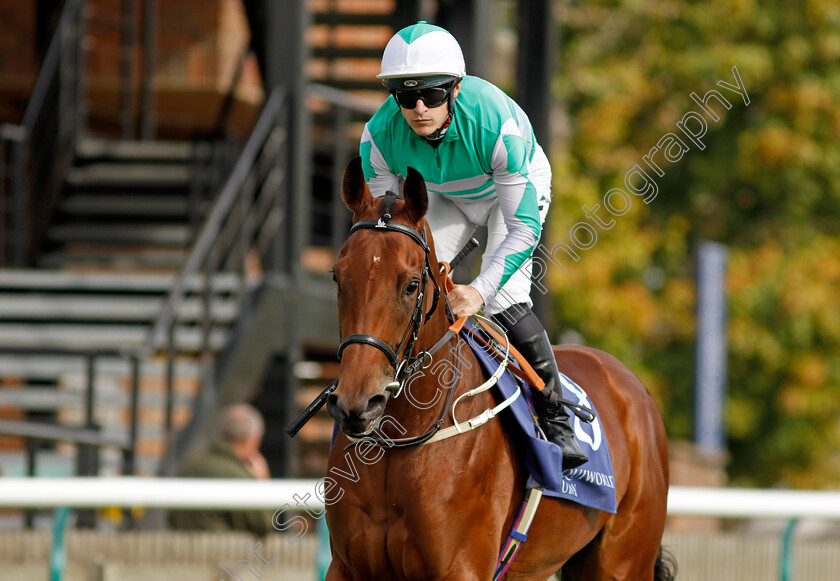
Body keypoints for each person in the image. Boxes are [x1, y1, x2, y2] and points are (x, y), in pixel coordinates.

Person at [360, 21, 588, 469]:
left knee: (502, 296)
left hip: (511, 194)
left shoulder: (498, 126)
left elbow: (522, 229)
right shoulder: (377, 138)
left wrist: (478, 291)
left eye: (433, 94)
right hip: (444, 196)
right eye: (406, 97)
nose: (420, 108)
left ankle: (557, 416)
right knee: (406, 282)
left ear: (456, 88)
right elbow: (386, 236)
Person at [168, 404, 273, 535]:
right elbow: (264, 525)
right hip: (223, 552)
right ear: (251, 441)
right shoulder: (240, 477)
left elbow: (172, 516)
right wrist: (262, 484)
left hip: (182, 550)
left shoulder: (190, 465)